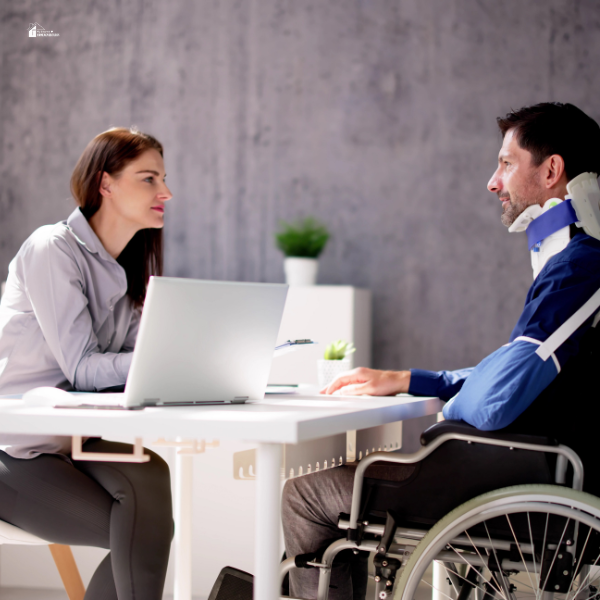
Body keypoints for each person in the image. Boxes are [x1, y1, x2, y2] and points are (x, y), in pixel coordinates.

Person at [282, 102, 600, 600]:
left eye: (506, 163)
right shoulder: (569, 260)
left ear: (552, 170)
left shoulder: (581, 266)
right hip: (518, 461)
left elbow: (498, 398)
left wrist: (449, 400)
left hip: (513, 470)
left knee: (303, 493)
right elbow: (514, 369)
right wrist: (414, 380)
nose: (492, 182)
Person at [0, 127, 174, 600]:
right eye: (149, 178)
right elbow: (84, 369)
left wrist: (177, 363)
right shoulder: (51, 248)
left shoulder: (131, 268)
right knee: (142, 534)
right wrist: (157, 361)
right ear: (106, 184)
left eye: (163, 179)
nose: (166, 192)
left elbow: (134, 365)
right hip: (13, 448)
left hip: (67, 442)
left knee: (152, 473)